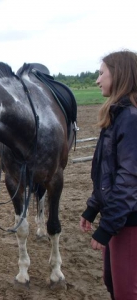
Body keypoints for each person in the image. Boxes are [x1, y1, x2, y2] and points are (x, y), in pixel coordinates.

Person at [79, 50, 137, 300]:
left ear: (120, 75)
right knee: (112, 282)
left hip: (129, 219)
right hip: (117, 216)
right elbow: (105, 172)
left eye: (102, 73)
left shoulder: (131, 119)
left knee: (126, 291)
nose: (97, 80)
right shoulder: (116, 115)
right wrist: (93, 208)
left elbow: (129, 180)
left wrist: (107, 227)